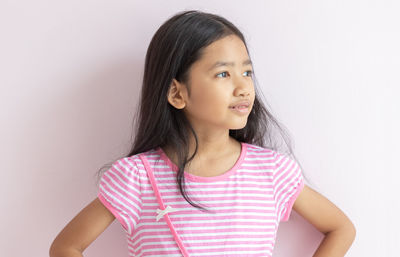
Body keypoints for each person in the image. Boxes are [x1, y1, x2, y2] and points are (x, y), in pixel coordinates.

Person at [49, 10, 356, 257]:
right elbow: (65, 247)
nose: (243, 86)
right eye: (223, 73)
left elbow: (341, 228)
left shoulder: (272, 171)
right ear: (176, 93)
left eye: (247, 72)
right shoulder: (137, 177)